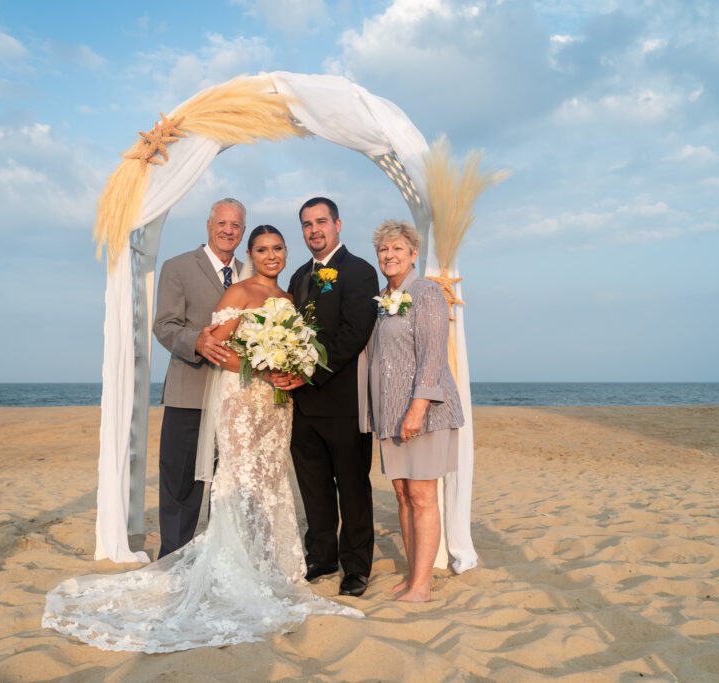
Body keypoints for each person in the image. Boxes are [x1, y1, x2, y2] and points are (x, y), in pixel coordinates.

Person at [43, 226, 362, 653]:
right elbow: (215, 345)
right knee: (240, 479)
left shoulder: (288, 299)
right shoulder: (239, 294)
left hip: (276, 407)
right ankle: (236, 568)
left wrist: (293, 369)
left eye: (278, 248)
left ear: (286, 253)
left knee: (270, 483)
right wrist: (263, 369)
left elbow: (298, 351)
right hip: (244, 401)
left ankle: (270, 566)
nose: (272, 255)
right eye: (263, 249)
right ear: (250, 253)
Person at [361, 219, 464, 602]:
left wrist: (417, 409)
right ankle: (411, 575)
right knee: (404, 495)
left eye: (397, 250)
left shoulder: (426, 294)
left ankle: (422, 585)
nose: (389, 256)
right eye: (384, 250)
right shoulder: (383, 300)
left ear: (413, 254)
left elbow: (434, 357)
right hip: (391, 414)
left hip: (424, 414)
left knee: (422, 496)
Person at [280, 197, 379, 597]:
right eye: (306, 224)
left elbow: (354, 334)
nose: (314, 230)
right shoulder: (299, 275)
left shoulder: (360, 272)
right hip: (302, 406)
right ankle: (321, 556)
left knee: (353, 487)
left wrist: (307, 374)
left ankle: (356, 566)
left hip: (344, 402)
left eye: (321, 222)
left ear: (338, 223)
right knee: (314, 486)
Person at [151, 198, 245, 559]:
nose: (227, 230)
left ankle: (221, 559)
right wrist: (198, 342)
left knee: (227, 485)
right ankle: (173, 558)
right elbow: (165, 326)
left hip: (236, 397)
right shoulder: (177, 268)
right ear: (208, 225)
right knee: (181, 484)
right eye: (222, 223)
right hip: (189, 392)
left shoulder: (249, 271)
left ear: (242, 231)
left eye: (235, 225)